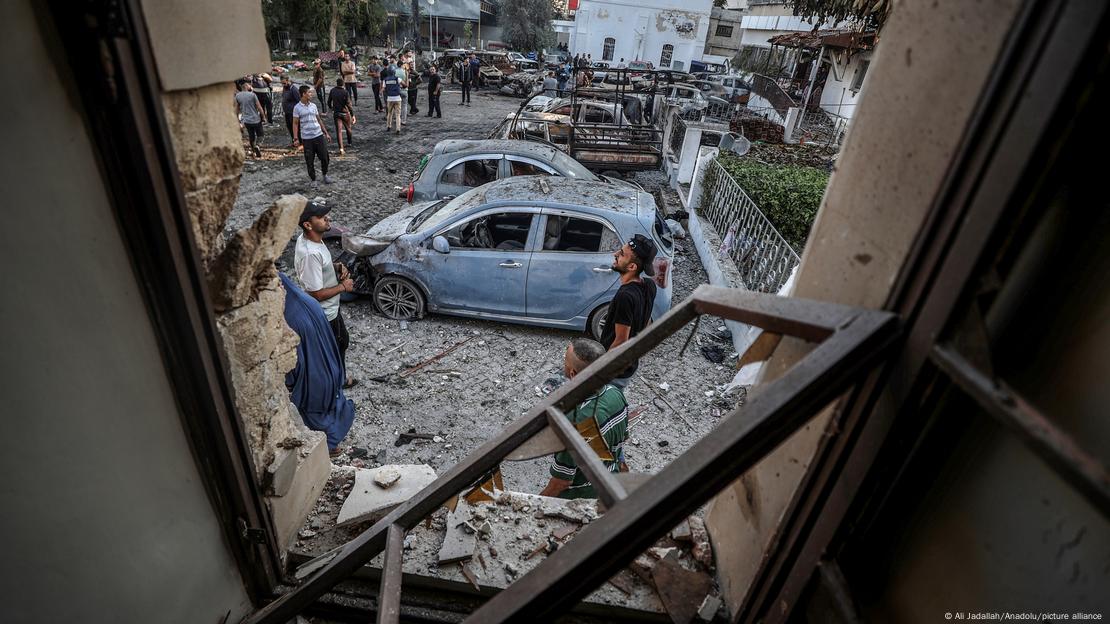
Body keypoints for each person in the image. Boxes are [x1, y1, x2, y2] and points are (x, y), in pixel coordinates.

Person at [539, 338, 629, 499]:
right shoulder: (615, 393)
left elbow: (561, 483)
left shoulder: (574, 423)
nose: (563, 365)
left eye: (565, 362)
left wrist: (536, 502)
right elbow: (622, 440)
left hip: (581, 496)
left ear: (573, 374)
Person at [279, 272, 355, 458]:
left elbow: (293, 358)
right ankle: (333, 442)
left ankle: (329, 446)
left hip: (312, 375)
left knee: (315, 411)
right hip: (329, 365)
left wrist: (289, 381)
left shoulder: (288, 318)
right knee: (330, 402)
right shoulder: (306, 301)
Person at [294, 202, 357, 390]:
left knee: (341, 342)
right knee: (335, 348)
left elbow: (319, 271)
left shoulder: (312, 240)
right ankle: (336, 384)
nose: (327, 218)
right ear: (308, 225)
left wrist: (335, 268)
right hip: (324, 314)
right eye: (321, 217)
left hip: (330, 309)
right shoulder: (310, 254)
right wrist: (344, 287)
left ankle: (336, 379)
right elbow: (316, 294)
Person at [599, 234, 658, 388]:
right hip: (629, 365)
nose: (615, 254)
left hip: (614, 372)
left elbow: (620, 342)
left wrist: (600, 370)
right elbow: (647, 323)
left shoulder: (625, 296)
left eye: (622, 254)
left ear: (632, 267)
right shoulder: (649, 285)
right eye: (620, 250)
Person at [293, 85, 333, 186]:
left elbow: (319, 120)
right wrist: (296, 138)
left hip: (318, 135)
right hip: (307, 138)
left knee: (325, 157)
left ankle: (325, 174)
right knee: (309, 160)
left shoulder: (313, 106)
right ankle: (313, 179)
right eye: (309, 92)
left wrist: (326, 133)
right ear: (303, 94)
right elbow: (295, 123)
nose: (311, 94)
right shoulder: (297, 108)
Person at [234, 81, 265, 158]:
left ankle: (254, 151)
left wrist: (237, 119)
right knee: (260, 135)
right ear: (246, 86)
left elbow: (236, 110)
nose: (251, 86)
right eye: (249, 85)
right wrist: (263, 117)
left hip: (246, 121)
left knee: (251, 136)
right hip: (256, 119)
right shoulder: (252, 95)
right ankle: (257, 146)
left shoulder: (238, 96)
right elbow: (259, 107)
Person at [328, 76, 354, 155]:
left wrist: (332, 108)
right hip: (345, 113)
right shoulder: (345, 92)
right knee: (348, 129)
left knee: (339, 131)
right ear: (343, 84)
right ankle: (349, 142)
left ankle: (341, 149)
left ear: (336, 83)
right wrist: (352, 114)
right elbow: (349, 105)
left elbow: (329, 102)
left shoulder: (332, 91)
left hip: (336, 113)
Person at [280, 75, 300, 147]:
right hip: (287, 112)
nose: (283, 85)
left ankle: (300, 142)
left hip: (293, 113)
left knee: (296, 128)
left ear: (289, 81)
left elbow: (299, 101)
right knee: (289, 127)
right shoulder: (285, 88)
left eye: (285, 83)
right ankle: (294, 141)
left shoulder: (294, 90)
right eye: (282, 83)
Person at [382, 63, 403, 133]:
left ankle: (388, 126)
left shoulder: (385, 80)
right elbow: (404, 84)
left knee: (389, 113)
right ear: (394, 72)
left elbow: (383, 89)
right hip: (397, 98)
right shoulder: (398, 79)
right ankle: (398, 129)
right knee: (398, 114)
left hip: (389, 98)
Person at [395, 60, 409, 126]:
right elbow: (407, 83)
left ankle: (398, 118)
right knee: (404, 106)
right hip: (404, 90)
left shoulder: (394, 71)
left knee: (397, 106)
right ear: (402, 65)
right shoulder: (405, 72)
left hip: (397, 90)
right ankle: (404, 120)